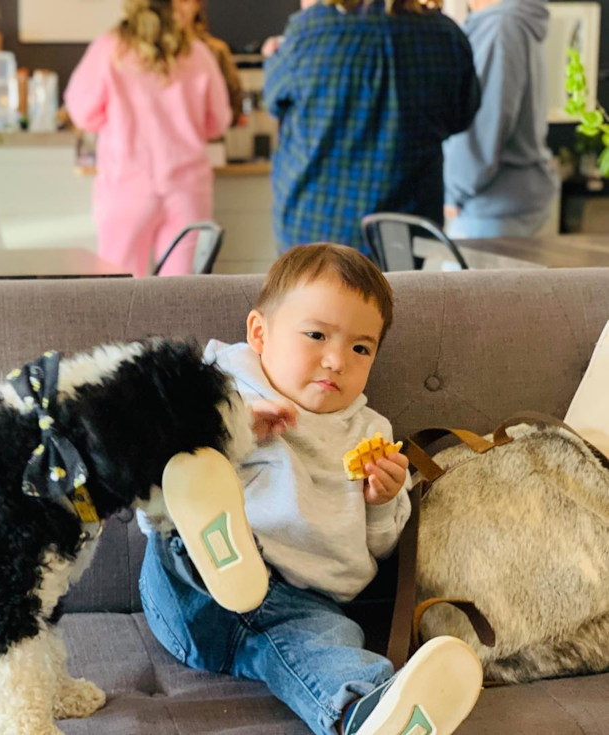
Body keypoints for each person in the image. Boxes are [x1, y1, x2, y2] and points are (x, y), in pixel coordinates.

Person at [138, 244, 484, 735]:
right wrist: (226, 430)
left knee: (331, 642)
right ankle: (203, 517)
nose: (336, 359)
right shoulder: (217, 392)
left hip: (298, 603)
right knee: (180, 476)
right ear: (260, 333)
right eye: (317, 335)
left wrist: (384, 502)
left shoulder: (370, 433)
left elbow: (382, 548)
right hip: (193, 596)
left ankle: (370, 714)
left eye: (361, 348)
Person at [263, 0, 481, 255]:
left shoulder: (310, 30)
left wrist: (272, 58)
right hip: (402, 233)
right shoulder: (445, 36)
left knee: (312, 293)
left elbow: (274, 101)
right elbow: (461, 117)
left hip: (313, 222)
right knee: (397, 295)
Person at [64, 0, 232, 278]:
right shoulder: (199, 54)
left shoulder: (110, 48)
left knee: (120, 290)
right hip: (186, 189)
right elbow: (218, 122)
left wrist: (116, 123)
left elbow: (82, 112)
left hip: (125, 185)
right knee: (182, 295)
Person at [443, 0, 559, 238]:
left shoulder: (500, 26)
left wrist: (455, 191)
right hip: (503, 202)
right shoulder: (503, 23)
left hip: (489, 208)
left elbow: (484, 125)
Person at [173, 0, 245, 126]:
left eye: (184, 1)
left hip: (207, 137)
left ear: (197, 4)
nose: (177, 6)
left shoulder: (215, 50)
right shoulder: (154, 52)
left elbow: (233, 96)